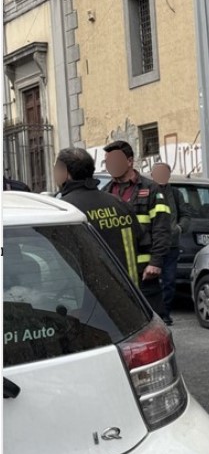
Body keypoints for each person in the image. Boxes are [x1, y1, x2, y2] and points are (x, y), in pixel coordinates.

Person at [101, 140, 171, 319]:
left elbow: (162, 228)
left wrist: (156, 262)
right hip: (116, 269)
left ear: (129, 161)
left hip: (144, 271)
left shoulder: (151, 189)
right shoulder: (104, 193)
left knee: (153, 319)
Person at [53, 148, 144, 286]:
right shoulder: (119, 203)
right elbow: (142, 243)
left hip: (91, 296)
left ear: (65, 173)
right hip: (130, 294)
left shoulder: (63, 210)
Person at [151, 162, 191, 326]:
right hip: (152, 246)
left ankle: (164, 313)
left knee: (169, 281)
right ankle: (152, 314)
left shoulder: (175, 194)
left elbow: (186, 214)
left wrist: (180, 228)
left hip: (171, 245)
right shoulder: (148, 192)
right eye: (157, 172)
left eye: (164, 172)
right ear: (153, 175)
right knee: (151, 282)